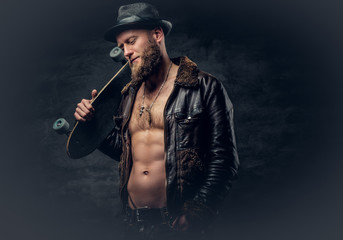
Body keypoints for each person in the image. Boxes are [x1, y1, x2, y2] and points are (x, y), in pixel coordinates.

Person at [74, 2, 239, 239]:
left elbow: (224, 159)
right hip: (132, 223)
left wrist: (198, 211)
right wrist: (92, 125)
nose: (126, 52)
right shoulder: (128, 94)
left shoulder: (204, 87)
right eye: (121, 47)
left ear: (157, 34)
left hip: (177, 224)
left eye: (131, 41)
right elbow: (126, 151)